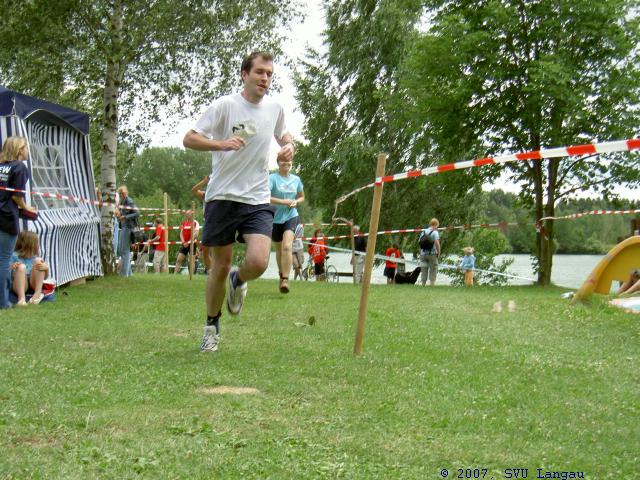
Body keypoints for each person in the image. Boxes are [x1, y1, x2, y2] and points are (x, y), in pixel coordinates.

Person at [183, 51, 295, 353]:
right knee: (220, 266)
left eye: (269, 74)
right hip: (222, 196)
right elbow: (189, 138)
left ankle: (239, 280)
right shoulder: (225, 106)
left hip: (257, 197)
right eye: (259, 72)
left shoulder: (274, 108)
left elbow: (284, 135)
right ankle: (211, 326)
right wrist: (220, 144)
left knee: (258, 262)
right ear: (245, 74)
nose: (265, 78)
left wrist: (289, 146)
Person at [0, 136, 37, 308]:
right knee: (4, 260)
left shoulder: (1, 166)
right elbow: (16, 196)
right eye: (26, 147)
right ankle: (3, 301)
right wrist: (26, 207)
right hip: (6, 219)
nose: (28, 150)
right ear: (19, 150)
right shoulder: (19, 167)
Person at [270, 155, 304, 293]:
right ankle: (281, 274)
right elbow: (266, 196)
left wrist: (296, 201)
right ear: (278, 162)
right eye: (283, 160)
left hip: (291, 216)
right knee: (279, 249)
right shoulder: (272, 178)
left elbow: (301, 196)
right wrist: (283, 202)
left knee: (287, 246)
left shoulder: (296, 179)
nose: (287, 162)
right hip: (275, 218)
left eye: (289, 160)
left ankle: (285, 279)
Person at [10, 231, 49, 305]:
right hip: (19, 286)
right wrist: (11, 267)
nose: (38, 245)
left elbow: (45, 278)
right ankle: (21, 299)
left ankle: (37, 294)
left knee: (38, 261)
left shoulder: (35, 257)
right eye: (36, 243)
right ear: (31, 244)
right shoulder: (13, 256)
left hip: (33, 285)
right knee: (21, 267)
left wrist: (46, 269)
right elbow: (6, 274)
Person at [114, 185, 139, 277]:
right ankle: (129, 273)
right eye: (121, 193)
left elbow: (137, 213)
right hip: (124, 227)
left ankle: (124, 274)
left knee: (125, 251)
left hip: (129, 228)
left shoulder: (129, 201)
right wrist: (119, 214)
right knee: (122, 250)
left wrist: (125, 217)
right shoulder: (122, 202)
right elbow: (122, 213)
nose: (122, 195)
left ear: (126, 193)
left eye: (124, 193)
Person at [174, 210, 200, 274]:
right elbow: (181, 233)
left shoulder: (195, 222)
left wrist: (188, 242)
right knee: (179, 259)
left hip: (192, 244)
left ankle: (191, 275)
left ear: (191, 215)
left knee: (191, 261)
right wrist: (183, 242)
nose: (186, 215)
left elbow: (196, 234)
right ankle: (174, 274)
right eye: (186, 214)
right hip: (184, 244)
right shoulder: (184, 222)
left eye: (188, 214)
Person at [419, 218, 441, 286]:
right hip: (432, 254)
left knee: (424, 269)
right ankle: (432, 284)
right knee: (433, 269)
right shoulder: (435, 232)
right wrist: (439, 252)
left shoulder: (423, 232)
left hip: (423, 254)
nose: (437, 227)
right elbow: (437, 243)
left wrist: (421, 253)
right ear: (435, 224)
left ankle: (423, 284)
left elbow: (419, 242)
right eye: (437, 226)